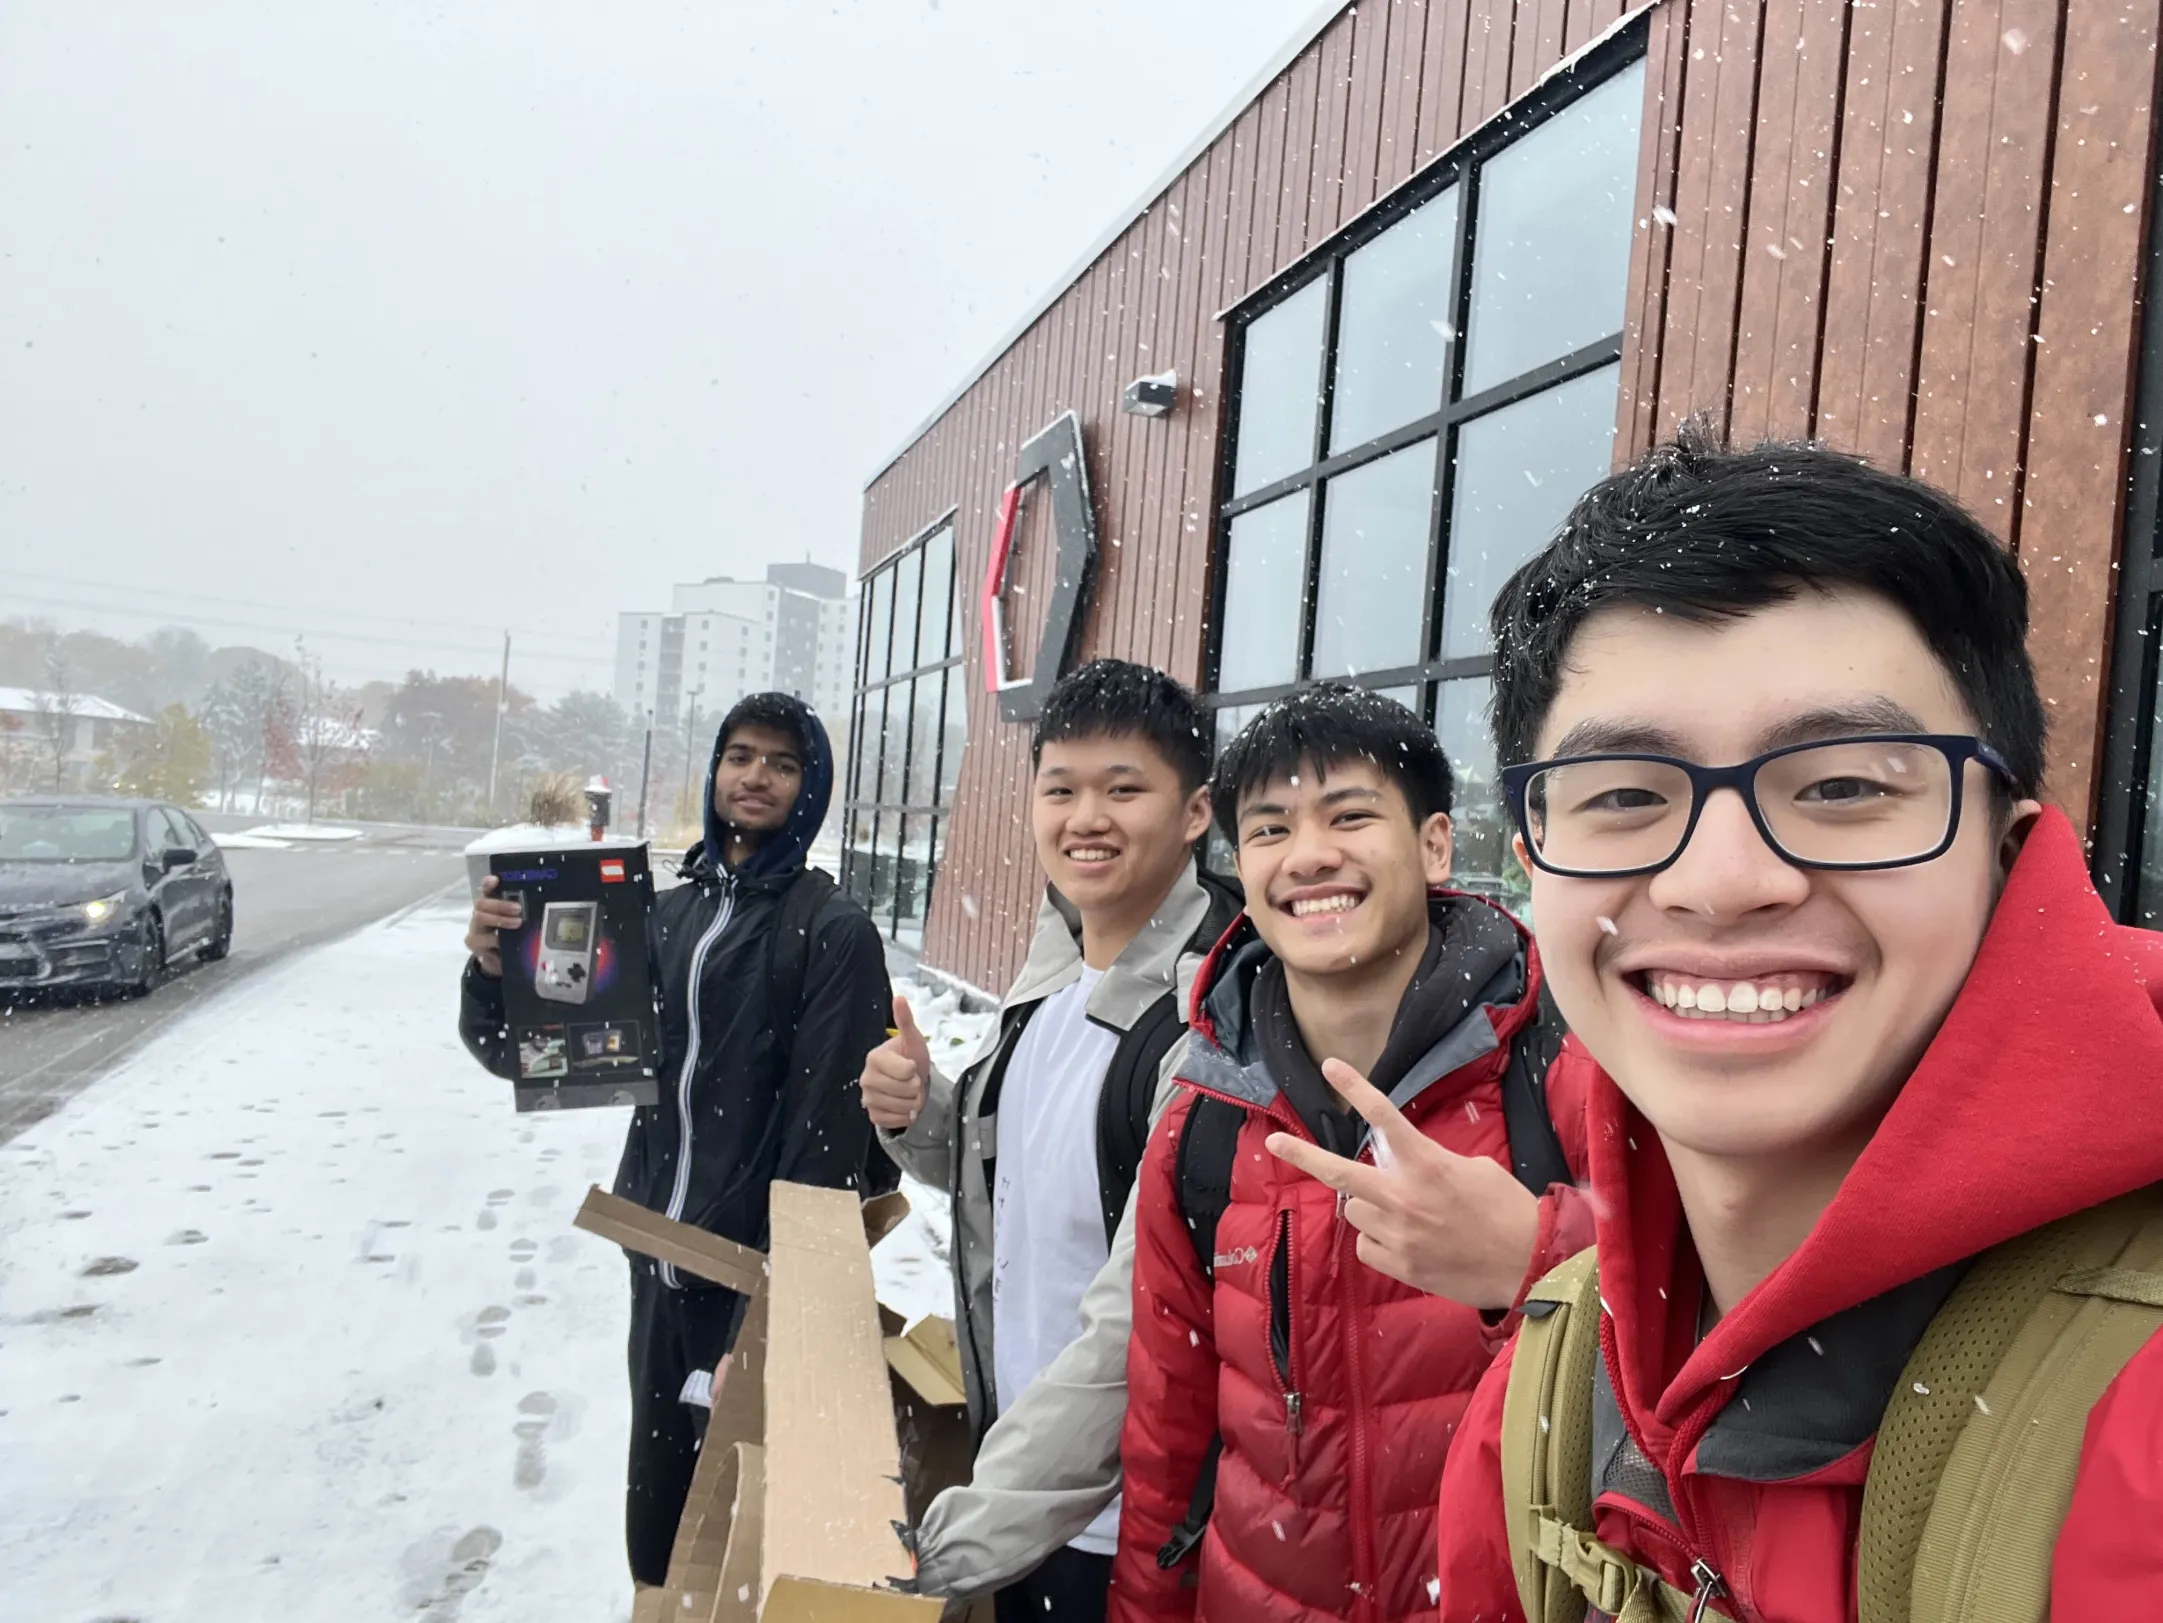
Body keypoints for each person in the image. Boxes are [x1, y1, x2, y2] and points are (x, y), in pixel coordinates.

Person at [1432, 428, 2163, 1621]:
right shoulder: (1552, 1386)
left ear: (2008, 848)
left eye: (1843, 785)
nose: (1722, 882)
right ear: (1532, 864)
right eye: (1624, 795)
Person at [1110, 684, 1596, 1623]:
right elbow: (1167, 1440)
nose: (1307, 855)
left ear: (1435, 845)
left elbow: (1702, 1328)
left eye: (1349, 816)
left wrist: (1538, 1259)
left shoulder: (1562, 1073)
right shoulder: (1204, 1122)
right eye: (1269, 828)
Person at [458, 691, 894, 1591]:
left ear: (811, 787)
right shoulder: (662, 915)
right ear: (714, 771)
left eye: (782, 762)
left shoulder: (831, 931)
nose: (756, 775)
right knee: (659, 1531)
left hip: (749, 1278)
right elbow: (534, 1054)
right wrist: (495, 971)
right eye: (740, 755)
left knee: (742, 1544)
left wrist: (760, 1326)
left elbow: (822, 1149)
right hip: (658, 1271)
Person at [862, 659, 1240, 1623]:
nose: (1086, 819)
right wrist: (922, 1113)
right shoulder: (1049, 983)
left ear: (1195, 812)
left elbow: (1137, 1321)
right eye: (1060, 789)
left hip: (1128, 1525)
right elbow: (1014, 1182)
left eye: (1123, 789)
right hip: (1026, 1489)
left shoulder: (1209, 1025)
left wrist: (974, 1530)